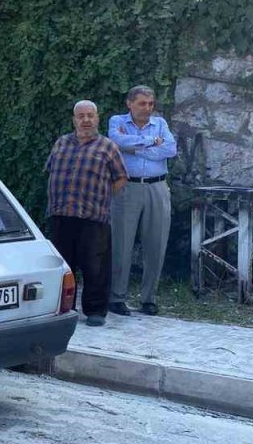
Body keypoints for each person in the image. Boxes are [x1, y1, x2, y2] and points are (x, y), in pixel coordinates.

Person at [46, 100, 128, 327]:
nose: (86, 120)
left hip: (93, 215)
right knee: (64, 265)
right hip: (61, 214)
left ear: (97, 118)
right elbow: (51, 169)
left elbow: (121, 177)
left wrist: (102, 197)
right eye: (81, 116)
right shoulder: (61, 143)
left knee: (95, 266)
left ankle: (95, 310)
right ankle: (65, 307)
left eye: (90, 115)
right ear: (74, 119)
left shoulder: (108, 147)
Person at [108, 85, 178, 316]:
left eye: (150, 104)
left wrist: (135, 149)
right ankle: (117, 297)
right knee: (121, 242)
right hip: (127, 187)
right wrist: (151, 141)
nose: (147, 108)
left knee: (156, 243)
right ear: (129, 103)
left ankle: (149, 298)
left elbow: (170, 149)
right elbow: (117, 141)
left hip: (157, 187)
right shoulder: (117, 121)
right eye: (142, 103)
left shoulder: (161, 123)